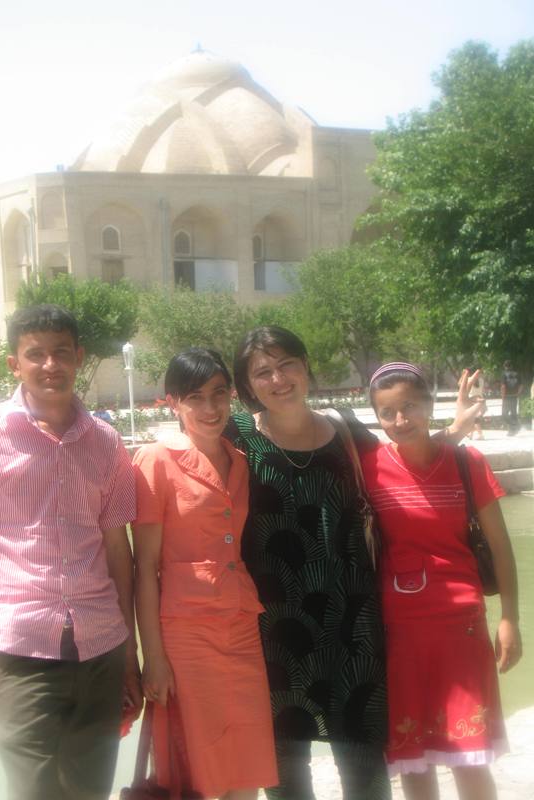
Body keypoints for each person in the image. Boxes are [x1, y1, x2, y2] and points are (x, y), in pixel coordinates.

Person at [228, 327, 482, 800]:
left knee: (365, 767)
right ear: (248, 385)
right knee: (285, 769)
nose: (278, 378)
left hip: (353, 624)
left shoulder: (343, 428)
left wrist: (455, 430)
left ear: (306, 367)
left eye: (287, 364)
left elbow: (404, 462)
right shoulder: (238, 436)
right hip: (274, 631)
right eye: (262, 372)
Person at [0, 304, 142, 800]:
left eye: (61, 353)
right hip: (21, 649)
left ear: (80, 358)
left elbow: (118, 550)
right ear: (14, 364)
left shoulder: (107, 443)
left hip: (100, 646)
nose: (51, 365)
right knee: (32, 792)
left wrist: (130, 655)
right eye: (36, 354)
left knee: (90, 790)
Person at [363, 362, 521, 800]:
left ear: (430, 404)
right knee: (415, 760)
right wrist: (454, 427)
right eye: (387, 412)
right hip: (399, 633)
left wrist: (510, 618)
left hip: (461, 627)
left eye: (410, 407)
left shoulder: (468, 464)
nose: (400, 421)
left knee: (469, 755)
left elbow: (501, 547)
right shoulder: (369, 468)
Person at [132, 348, 278, 799]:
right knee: (197, 765)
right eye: (196, 397)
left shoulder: (239, 461)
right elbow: (145, 570)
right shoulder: (155, 461)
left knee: (247, 760)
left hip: (241, 624)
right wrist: (153, 659)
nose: (212, 409)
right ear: (173, 402)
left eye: (220, 394)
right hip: (186, 635)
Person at [501, 360, 522, 436]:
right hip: (514, 396)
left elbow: (503, 386)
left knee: (504, 414)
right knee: (513, 413)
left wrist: (503, 396)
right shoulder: (517, 374)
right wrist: (517, 394)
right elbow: (521, 386)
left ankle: (515, 426)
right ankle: (512, 430)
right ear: (511, 366)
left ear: (505, 366)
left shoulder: (504, 374)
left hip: (507, 396)